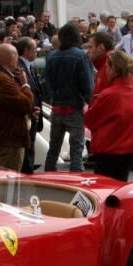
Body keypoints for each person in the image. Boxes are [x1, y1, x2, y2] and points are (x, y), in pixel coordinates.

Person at [84, 50, 133, 182]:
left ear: (114, 69)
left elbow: (90, 120)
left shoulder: (109, 94)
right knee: (119, 188)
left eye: (108, 67)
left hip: (109, 150)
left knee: (103, 190)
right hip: (129, 149)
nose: (106, 70)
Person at [43, 23, 92, 173]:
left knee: (54, 147)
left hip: (57, 107)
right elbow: (87, 84)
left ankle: (49, 176)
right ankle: (76, 179)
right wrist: (91, 103)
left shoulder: (51, 56)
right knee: (76, 148)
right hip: (74, 107)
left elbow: (48, 83)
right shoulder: (80, 55)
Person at [0, 44, 35, 171]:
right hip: (8, 141)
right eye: (16, 56)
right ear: (11, 59)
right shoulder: (1, 79)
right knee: (10, 181)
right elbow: (26, 104)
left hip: (5, 138)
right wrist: (25, 84)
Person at [16, 37, 43, 174]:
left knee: (31, 148)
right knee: (27, 151)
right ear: (26, 50)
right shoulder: (19, 68)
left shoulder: (29, 66)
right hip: (27, 116)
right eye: (34, 49)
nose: (36, 52)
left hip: (33, 114)